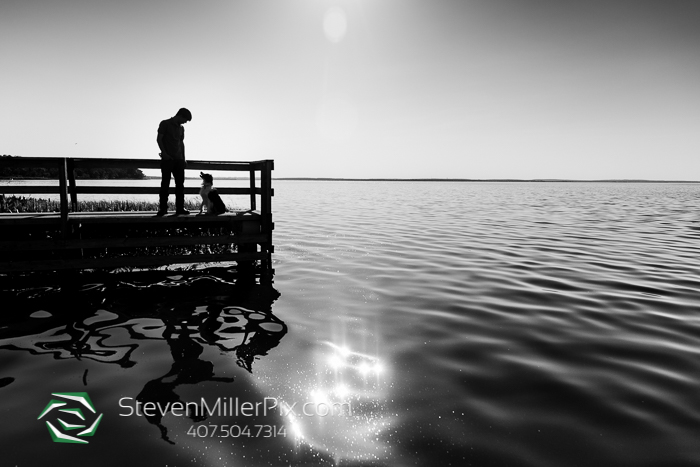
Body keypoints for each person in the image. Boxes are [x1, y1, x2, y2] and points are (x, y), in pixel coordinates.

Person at [156, 108, 192, 216]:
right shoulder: (165, 123)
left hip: (179, 160)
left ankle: (180, 209)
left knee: (180, 186)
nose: (185, 122)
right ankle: (163, 209)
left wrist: (184, 158)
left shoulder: (181, 128)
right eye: (185, 120)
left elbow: (181, 143)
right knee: (165, 185)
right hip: (168, 160)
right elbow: (159, 139)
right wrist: (164, 154)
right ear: (180, 116)